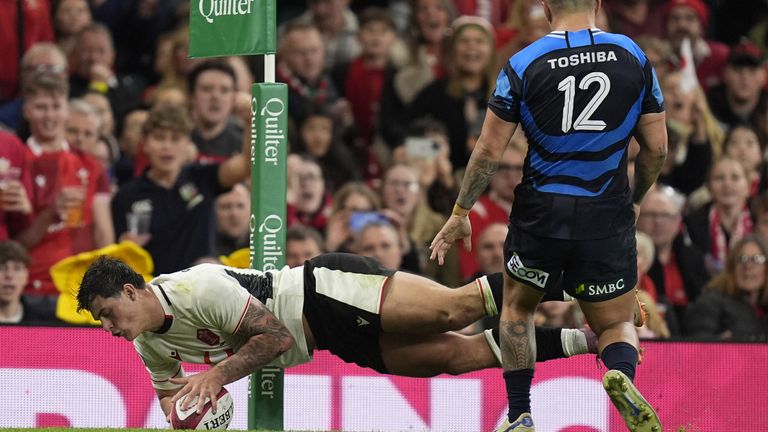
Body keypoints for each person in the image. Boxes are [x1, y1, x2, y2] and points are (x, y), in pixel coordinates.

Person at [429, 1, 667, 430]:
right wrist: (635, 199)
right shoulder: (632, 55)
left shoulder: (524, 62)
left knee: (518, 310)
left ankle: (520, 413)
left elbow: (487, 151)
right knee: (615, 322)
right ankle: (620, 374)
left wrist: (462, 210)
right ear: (597, 4)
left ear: (545, 7)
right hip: (605, 210)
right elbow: (657, 149)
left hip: (541, 212)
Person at [76, 254, 596, 418]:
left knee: (452, 309)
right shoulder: (147, 342)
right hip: (329, 338)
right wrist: (189, 419)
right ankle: (587, 339)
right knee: (455, 357)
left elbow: (275, 339)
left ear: (130, 290)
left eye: (106, 313)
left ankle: (583, 281)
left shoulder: (198, 286)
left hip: (325, 291)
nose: (107, 327)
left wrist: (215, 376)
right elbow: (171, 403)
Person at [684, 234, 768, 340]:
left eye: (757, 259)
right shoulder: (709, 303)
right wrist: (722, 345)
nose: (748, 266)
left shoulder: (763, 309)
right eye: (742, 259)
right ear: (731, 267)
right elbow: (696, 347)